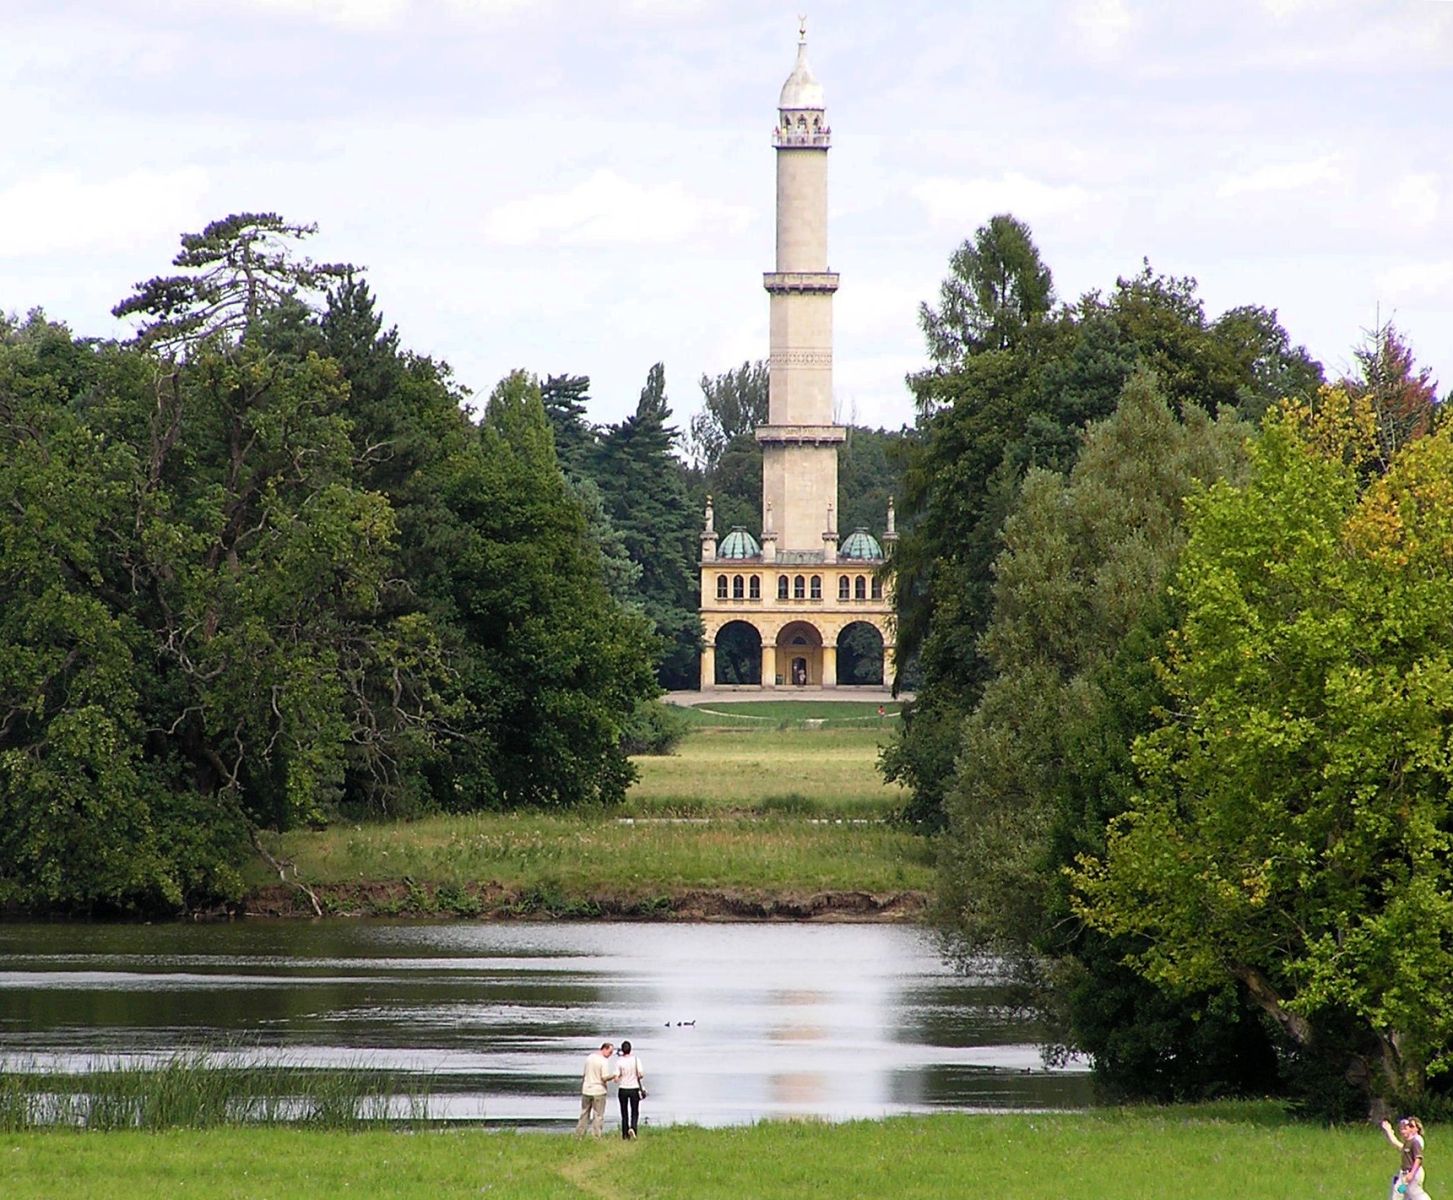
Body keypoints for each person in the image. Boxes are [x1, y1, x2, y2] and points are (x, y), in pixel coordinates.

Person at [1381, 1115, 1429, 1200]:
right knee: (1404, 1193)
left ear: (1417, 1128)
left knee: (1413, 1193)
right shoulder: (1409, 1141)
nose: (1409, 1128)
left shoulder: (1417, 1140)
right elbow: (1397, 1144)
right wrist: (1389, 1132)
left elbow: (1418, 1158)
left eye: (1412, 1126)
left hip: (1412, 1173)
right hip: (1405, 1174)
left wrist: (1411, 1174)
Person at [574, 1042, 616, 1136]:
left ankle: (579, 1134)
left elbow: (584, 1074)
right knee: (598, 1115)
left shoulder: (589, 1058)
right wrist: (614, 1076)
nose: (610, 1055)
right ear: (604, 1049)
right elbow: (604, 1077)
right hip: (598, 1090)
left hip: (586, 1089)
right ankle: (596, 1136)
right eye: (610, 1052)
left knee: (584, 1113)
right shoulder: (603, 1061)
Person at [615, 1039, 645, 1140]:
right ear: (630, 1050)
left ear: (622, 1050)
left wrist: (619, 1077)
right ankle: (633, 1128)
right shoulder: (636, 1060)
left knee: (624, 1112)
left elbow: (616, 1077)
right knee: (635, 1111)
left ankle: (625, 1135)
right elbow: (641, 1074)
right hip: (634, 1088)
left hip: (623, 1088)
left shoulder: (619, 1061)